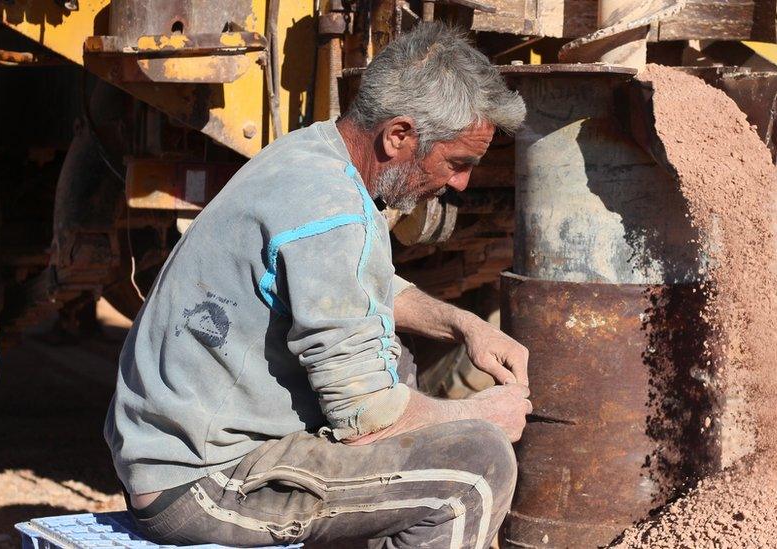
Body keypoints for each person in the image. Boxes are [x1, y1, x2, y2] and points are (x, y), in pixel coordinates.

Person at [104, 22, 531, 548]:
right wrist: (475, 415)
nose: (461, 183)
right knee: (475, 468)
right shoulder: (331, 211)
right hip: (202, 483)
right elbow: (367, 418)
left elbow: (354, 289)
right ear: (399, 135)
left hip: (169, 455)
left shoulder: (312, 155)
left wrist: (463, 324)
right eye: (458, 163)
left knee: (395, 363)